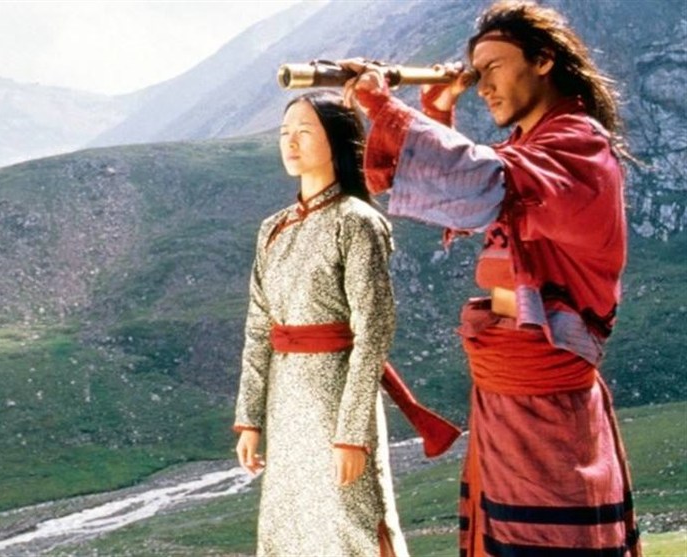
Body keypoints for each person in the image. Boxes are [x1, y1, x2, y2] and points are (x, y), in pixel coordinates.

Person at [342, 1, 642, 555]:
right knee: (506, 532)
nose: (483, 87)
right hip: (510, 385)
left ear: (543, 60)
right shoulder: (535, 149)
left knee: (542, 540)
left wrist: (383, 105)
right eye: (476, 74)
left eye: (494, 68)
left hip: (545, 394)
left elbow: (482, 182)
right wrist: (438, 111)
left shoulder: (578, 144)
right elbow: (467, 197)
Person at [233, 90, 409, 557]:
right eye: (284, 133)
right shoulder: (272, 229)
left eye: (304, 132)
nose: (291, 142)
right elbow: (259, 328)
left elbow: (373, 332)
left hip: (336, 401)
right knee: (289, 526)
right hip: (285, 401)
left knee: (350, 523)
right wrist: (250, 419)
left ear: (337, 140)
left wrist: (351, 433)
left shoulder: (357, 222)